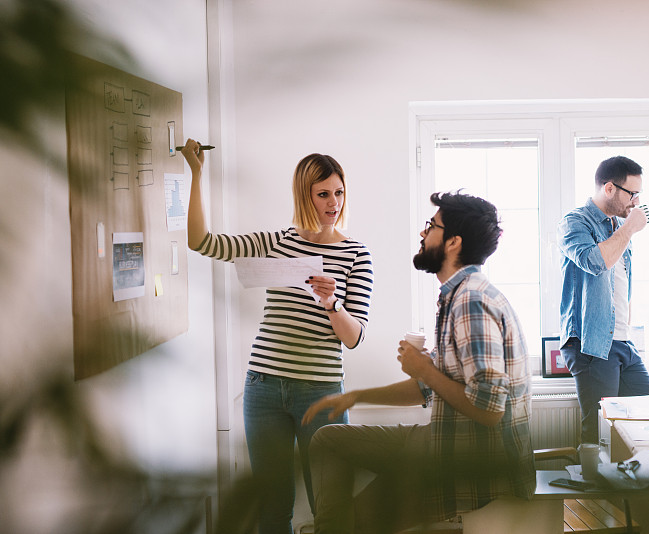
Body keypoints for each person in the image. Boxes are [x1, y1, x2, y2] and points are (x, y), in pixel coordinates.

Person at [302, 192, 535, 534]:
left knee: (351, 521)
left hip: (469, 464)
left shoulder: (470, 301)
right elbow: (428, 387)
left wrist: (424, 369)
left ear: (453, 242)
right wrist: (356, 396)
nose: (424, 234)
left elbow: (489, 409)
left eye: (432, 226)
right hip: (440, 438)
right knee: (327, 440)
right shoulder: (456, 296)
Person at [180, 139, 373, 534]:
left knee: (331, 507)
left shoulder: (356, 254)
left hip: (321, 394)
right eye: (323, 194)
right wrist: (196, 174)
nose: (332, 203)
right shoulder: (277, 242)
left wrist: (332, 302)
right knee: (272, 508)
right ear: (305, 196)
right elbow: (201, 241)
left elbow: (354, 338)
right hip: (263, 388)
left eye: (338, 193)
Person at [557, 155, 649, 444]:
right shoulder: (574, 222)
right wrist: (630, 228)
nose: (635, 202)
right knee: (599, 432)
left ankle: (632, 486)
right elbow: (596, 262)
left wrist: (624, 229)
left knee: (647, 412)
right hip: (592, 345)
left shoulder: (617, 226)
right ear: (609, 188)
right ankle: (595, 489)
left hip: (622, 341)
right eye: (631, 194)